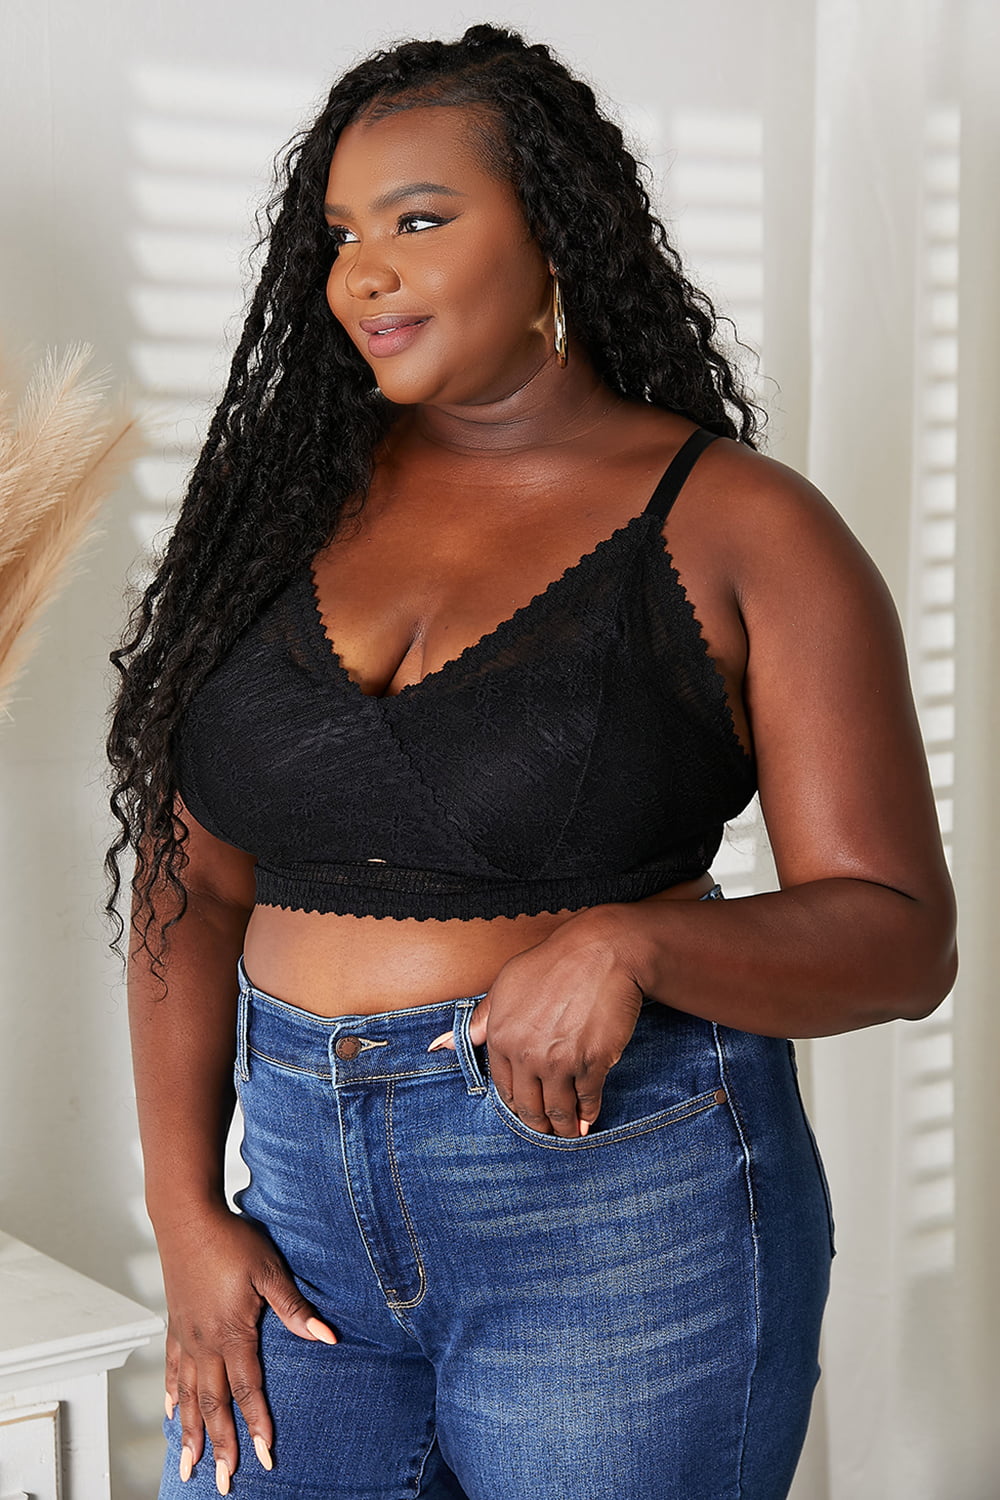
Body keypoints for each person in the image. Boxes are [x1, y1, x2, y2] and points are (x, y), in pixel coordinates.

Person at [104, 23, 956, 1500]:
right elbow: (193, 880)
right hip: (298, 1206)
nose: (363, 270)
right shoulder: (279, 508)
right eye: (342, 234)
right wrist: (186, 1215)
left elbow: (899, 937)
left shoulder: (743, 528)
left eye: (420, 220)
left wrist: (632, 943)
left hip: (619, 1205)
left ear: (552, 236)